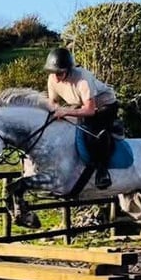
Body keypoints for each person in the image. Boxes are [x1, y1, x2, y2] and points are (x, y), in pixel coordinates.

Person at [44, 47, 118, 189]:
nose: (56, 77)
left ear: (68, 70)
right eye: (53, 73)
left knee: (91, 132)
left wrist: (65, 112)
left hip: (105, 106)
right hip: (80, 106)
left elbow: (90, 110)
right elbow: (53, 102)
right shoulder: (53, 78)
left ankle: (102, 171)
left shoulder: (83, 78)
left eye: (60, 73)